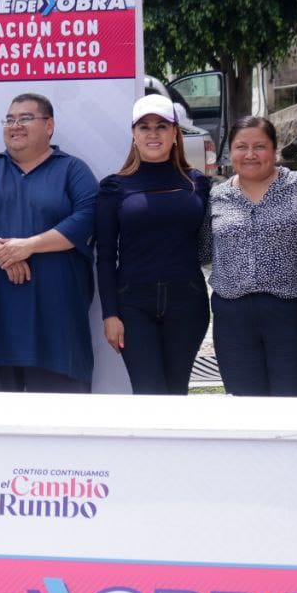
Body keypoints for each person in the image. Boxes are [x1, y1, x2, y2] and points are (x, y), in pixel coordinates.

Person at [0, 93, 98, 392]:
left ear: (49, 125)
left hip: (56, 333)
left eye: (26, 118)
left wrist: (30, 245)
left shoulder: (72, 170)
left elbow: (87, 217)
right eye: (10, 119)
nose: (15, 126)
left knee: (62, 432)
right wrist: (2, 252)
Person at [95, 94, 210, 395]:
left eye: (161, 125)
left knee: (176, 393)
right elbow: (105, 256)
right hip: (133, 306)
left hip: (188, 302)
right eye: (144, 127)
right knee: (149, 394)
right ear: (134, 135)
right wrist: (110, 314)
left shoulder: (198, 183)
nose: (153, 133)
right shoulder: (113, 187)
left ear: (175, 133)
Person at [206, 116, 297, 396]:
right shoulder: (216, 196)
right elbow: (201, 248)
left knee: (290, 402)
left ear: (275, 150)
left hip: (289, 311)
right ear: (230, 152)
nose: (250, 154)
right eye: (242, 146)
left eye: (260, 146)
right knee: (246, 407)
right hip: (233, 315)